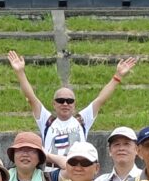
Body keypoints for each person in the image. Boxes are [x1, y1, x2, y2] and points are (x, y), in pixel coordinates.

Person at [7, 50, 137, 165]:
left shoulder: (82, 120)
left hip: (76, 171)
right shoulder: (47, 121)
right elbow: (31, 98)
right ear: (54, 104)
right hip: (51, 174)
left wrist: (117, 76)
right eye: (60, 100)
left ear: (74, 104)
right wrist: (20, 72)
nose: (65, 104)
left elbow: (101, 99)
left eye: (69, 101)